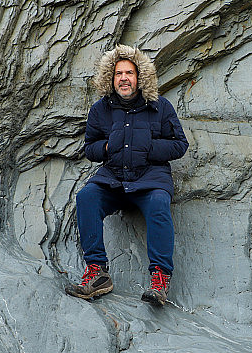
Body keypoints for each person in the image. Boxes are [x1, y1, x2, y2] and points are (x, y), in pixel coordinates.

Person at [66, 44, 189, 306]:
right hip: (112, 179)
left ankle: (160, 279)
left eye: (129, 73)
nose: (124, 78)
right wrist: (107, 147)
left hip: (150, 179)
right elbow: (90, 148)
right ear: (110, 78)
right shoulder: (100, 109)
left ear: (140, 77)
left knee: (159, 203)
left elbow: (180, 145)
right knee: (87, 197)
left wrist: (147, 148)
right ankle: (97, 272)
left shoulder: (160, 107)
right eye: (118, 73)